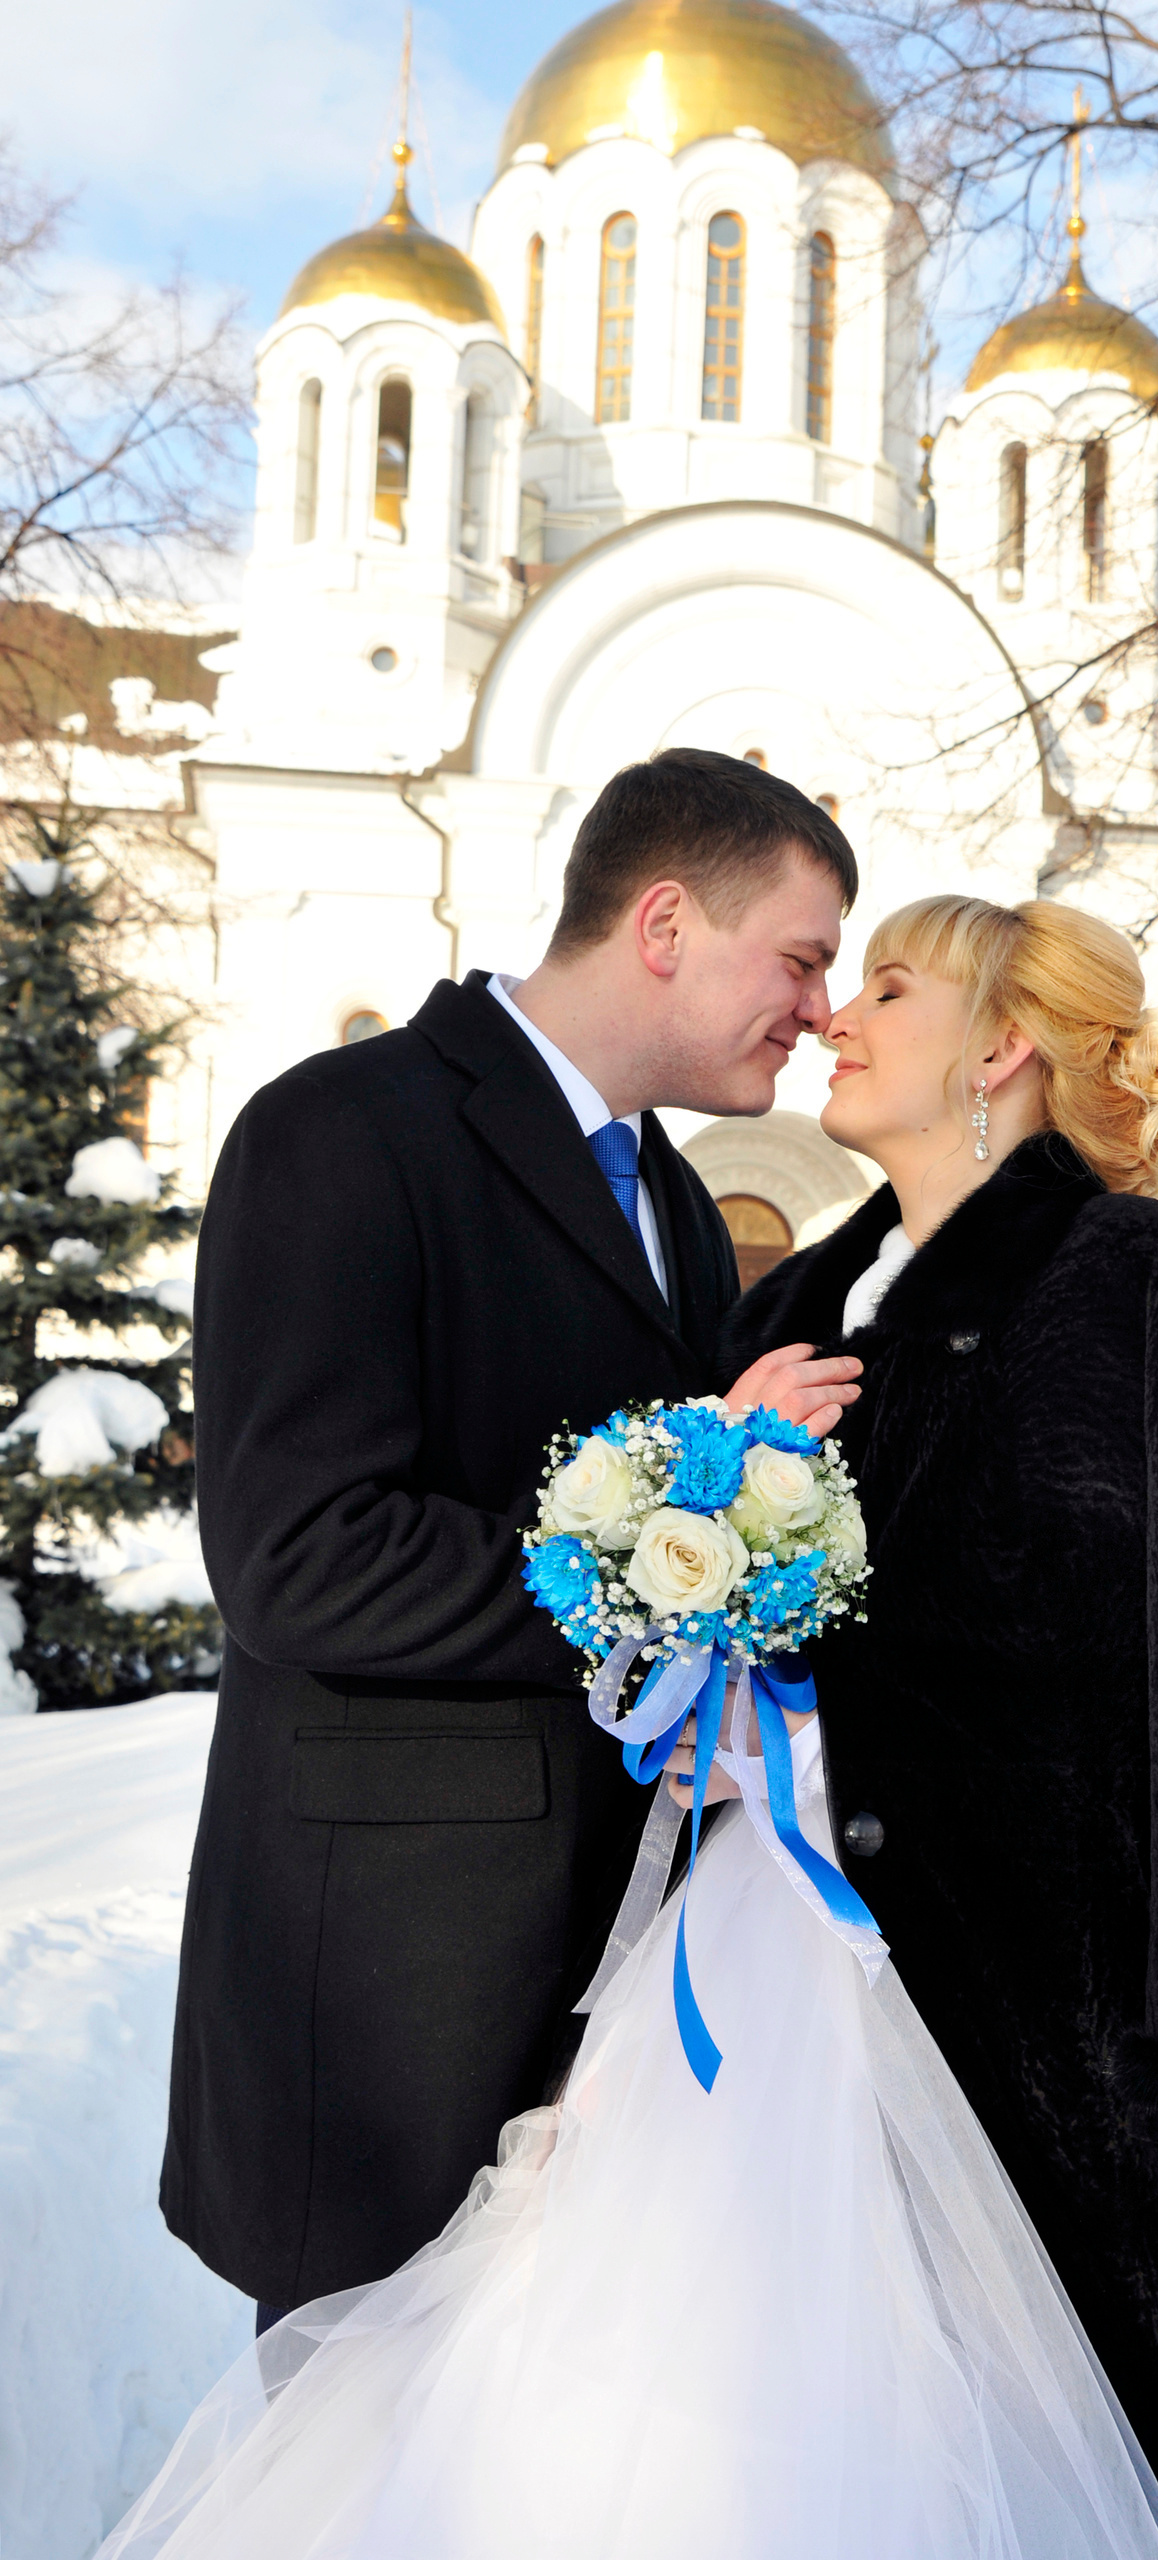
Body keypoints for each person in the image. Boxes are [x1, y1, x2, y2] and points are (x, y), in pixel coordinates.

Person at [708, 893, 1158, 2560]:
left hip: (1091, 2053)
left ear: (1003, 1047)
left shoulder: (1154, 1280)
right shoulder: (784, 1323)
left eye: (890, 988)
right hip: (811, 2031)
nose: (838, 1018)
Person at [160, 747, 863, 2328]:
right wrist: (668, 1552)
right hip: (393, 2009)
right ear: (666, 923)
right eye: (802, 959)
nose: (820, 1010)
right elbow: (300, 1554)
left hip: (620, 2000)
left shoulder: (679, 1208)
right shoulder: (343, 1130)